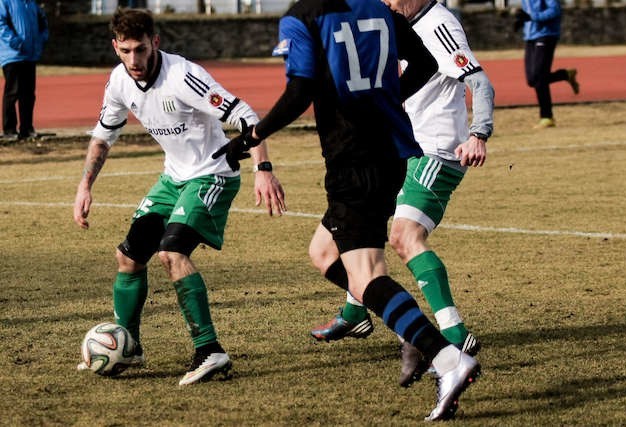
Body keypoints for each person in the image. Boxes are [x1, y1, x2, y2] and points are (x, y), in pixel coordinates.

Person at [212, 0, 480, 420]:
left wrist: (251, 137)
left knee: (368, 274)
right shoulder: (379, 9)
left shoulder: (305, 15)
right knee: (323, 253)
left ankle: (446, 357)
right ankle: (406, 325)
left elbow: (299, 91)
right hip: (389, 156)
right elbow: (426, 61)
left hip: (354, 160)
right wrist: (387, 99)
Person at [73, 8, 286, 386]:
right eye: (125, 51)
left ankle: (210, 350)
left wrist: (263, 170)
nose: (134, 60)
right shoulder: (119, 81)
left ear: (155, 42)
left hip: (212, 174)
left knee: (172, 254)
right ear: (115, 48)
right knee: (128, 257)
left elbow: (246, 115)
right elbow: (104, 135)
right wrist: (85, 186)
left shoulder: (184, 76)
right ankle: (129, 344)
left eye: (140, 49)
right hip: (174, 178)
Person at [310, 0, 494, 388]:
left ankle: (455, 333)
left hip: (436, 150)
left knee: (405, 236)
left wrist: (479, 134)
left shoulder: (440, 24)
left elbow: (478, 80)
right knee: (335, 244)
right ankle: (356, 309)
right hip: (398, 151)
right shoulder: (393, 24)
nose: (387, 2)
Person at [513, 0, 579, 129]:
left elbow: (554, 11)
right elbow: (529, 11)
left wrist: (532, 17)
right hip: (530, 36)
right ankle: (566, 74)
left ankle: (547, 117)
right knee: (532, 80)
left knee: (539, 76)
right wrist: (522, 20)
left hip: (546, 35)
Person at [0, 0, 48, 139]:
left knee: (28, 94)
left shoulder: (32, 3)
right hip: (13, 55)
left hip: (30, 55)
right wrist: (16, 42)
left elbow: (43, 22)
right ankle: (9, 130)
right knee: (13, 91)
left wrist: (41, 39)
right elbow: (1, 23)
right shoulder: (5, 2)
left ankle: (27, 129)